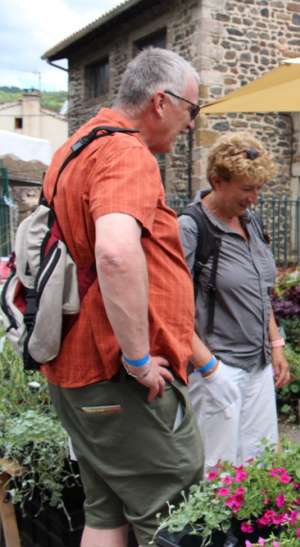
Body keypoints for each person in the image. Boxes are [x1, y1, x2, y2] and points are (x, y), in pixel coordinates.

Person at [40, 48, 204, 547]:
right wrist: (136, 360)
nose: (192, 125)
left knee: (105, 509)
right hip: (120, 378)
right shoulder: (125, 152)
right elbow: (114, 252)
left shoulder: (75, 147)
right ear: (161, 101)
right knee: (174, 511)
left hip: (79, 370)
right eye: (192, 110)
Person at [178, 132, 290, 470]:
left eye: (258, 189)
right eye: (246, 189)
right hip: (217, 366)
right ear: (217, 181)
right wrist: (211, 370)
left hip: (257, 366)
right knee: (218, 472)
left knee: (261, 466)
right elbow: (169, 308)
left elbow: (259, 288)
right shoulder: (190, 227)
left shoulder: (249, 221)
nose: (254, 198)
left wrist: (276, 344)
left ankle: (254, 526)